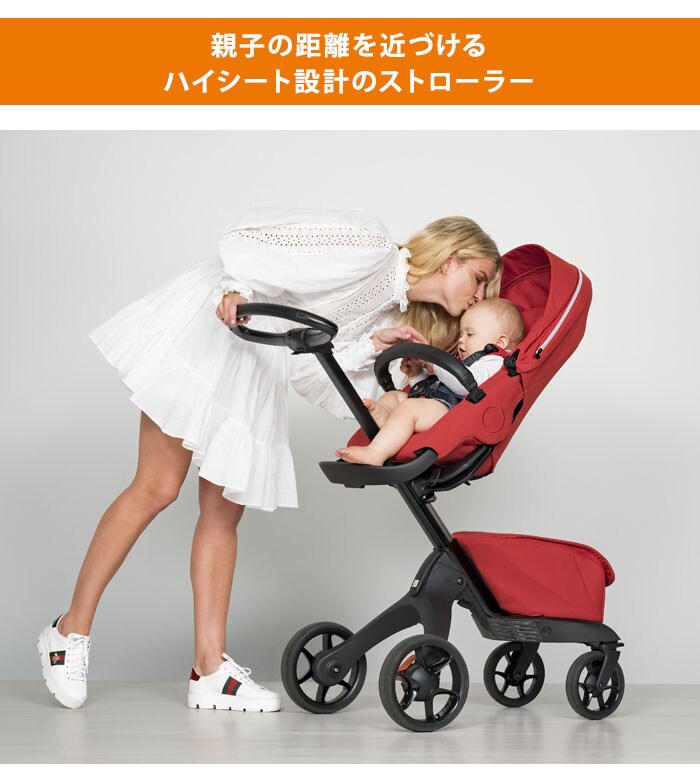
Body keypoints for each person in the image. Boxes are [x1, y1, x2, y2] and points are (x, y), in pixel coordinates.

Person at [38, 207, 502, 712]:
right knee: (158, 487)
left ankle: (208, 668)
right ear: (450, 259)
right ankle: (68, 631)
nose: (480, 295)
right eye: (480, 278)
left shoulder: (391, 314)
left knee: (223, 513)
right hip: (216, 329)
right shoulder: (369, 245)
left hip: (256, 359)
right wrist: (235, 288)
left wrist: (374, 346)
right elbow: (245, 236)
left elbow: (306, 371)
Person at [335, 298, 525, 467]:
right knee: (395, 396)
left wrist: (436, 364)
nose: (460, 340)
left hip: (454, 415)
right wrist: (417, 375)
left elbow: (465, 385)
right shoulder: (470, 362)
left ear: (500, 342)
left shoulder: (495, 362)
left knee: (411, 407)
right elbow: (438, 388)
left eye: (469, 334)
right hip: (440, 405)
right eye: (461, 334)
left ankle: (376, 453)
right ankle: (383, 417)